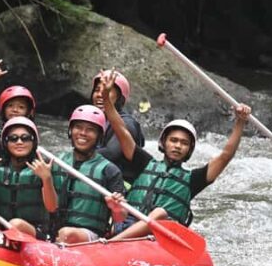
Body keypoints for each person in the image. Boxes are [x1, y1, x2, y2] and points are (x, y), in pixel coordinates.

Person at [97, 71, 252, 239]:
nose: (178, 146)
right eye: (173, 140)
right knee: (115, 201)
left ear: (190, 150)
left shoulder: (194, 179)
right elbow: (121, 131)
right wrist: (106, 97)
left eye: (184, 143)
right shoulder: (144, 163)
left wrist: (240, 122)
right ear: (164, 143)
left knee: (160, 213)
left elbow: (226, 155)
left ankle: (114, 242)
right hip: (127, 223)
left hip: (158, 234)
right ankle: (109, 236)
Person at [0, 117, 57, 238]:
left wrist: (47, 179)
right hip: (1, 226)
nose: (19, 142)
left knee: (16, 224)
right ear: (6, 143)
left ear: (33, 142)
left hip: (33, 231)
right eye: (13, 139)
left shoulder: (43, 167)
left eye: (25, 138)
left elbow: (52, 207)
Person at [53, 105, 127, 244]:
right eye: (78, 127)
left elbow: (120, 218)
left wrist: (116, 209)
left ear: (99, 136)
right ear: (70, 130)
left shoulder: (109, 170)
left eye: (90, 130)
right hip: (53, 229)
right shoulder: (55, 161)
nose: (83, 133)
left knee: (67, 234)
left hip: (89, 236)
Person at [90, 69, 145, 184]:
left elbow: (112, 153)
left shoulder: (127, 123)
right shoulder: (95, 122)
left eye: (107, 91)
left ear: (120, 98)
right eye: (97, 90)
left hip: (122, 188)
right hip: (99, 179)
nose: (100, 95)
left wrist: (75, 157)